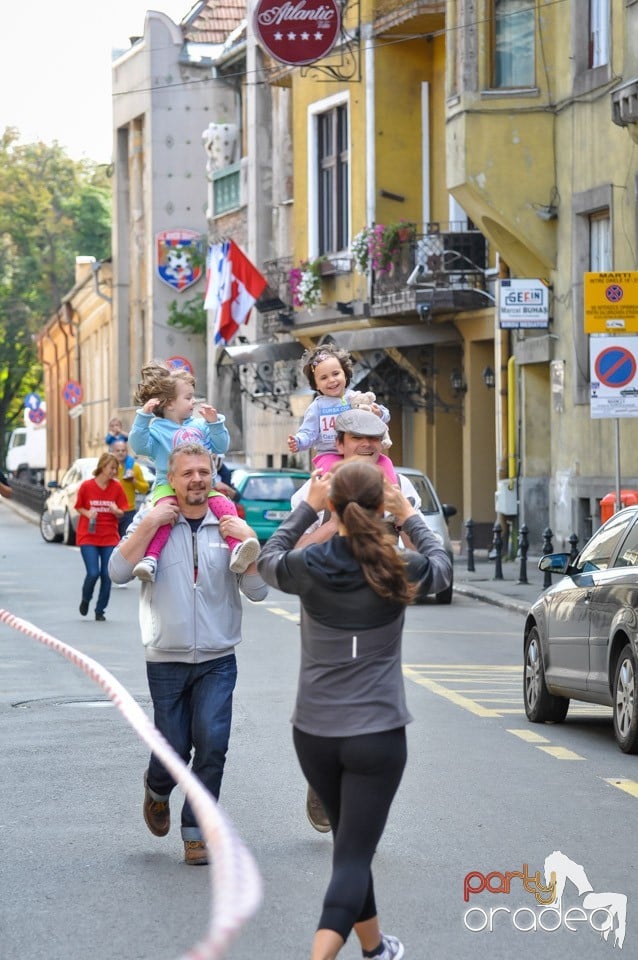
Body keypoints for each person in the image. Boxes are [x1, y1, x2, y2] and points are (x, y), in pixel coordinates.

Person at [257, 461, 452, 960]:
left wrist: (306, 507)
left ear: (335, 507)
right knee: (351, 857)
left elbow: (268, 558)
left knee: (350, 846)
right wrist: (409, 516)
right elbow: (443, 567)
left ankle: (375, 948)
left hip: (314, 735)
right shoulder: (397, 566)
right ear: (380, 506)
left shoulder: (310, 566)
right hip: (377, 735)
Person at [108, 443, 268, 866]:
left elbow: (258, 592)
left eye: (203, 471)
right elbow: (117, 573)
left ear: (211, 475)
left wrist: (250, 544)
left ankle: (196, 831)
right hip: (165, 656)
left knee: (212, 744)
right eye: (187, 473)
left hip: (218, 656)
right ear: (172, 480)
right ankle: (157, 788)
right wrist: (147, 526)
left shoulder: (228, 522)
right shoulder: (154, 519)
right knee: (174, 747)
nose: (196, 479)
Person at [128, 359, 259, 582]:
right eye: (188, 398)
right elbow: (139, 446)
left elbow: (221, 446)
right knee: (164, 516)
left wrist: (215, 423)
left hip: (203, 489)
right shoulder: (157, 429)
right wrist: (142, 417)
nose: (193, 402)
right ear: (169, 403)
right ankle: (150, 558)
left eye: (193, 397)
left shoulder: (199, 425)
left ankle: (237, 549)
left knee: (226, 507)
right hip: (166, 488)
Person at [287, 344, 397, 483]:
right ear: (316, 385)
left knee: (385, 463)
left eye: (335, 374)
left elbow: (385, 415)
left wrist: (378, 413)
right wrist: (298, 442)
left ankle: (395, 495)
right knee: (332, 474)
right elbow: (308, 432)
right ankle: (335, 502)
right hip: (329, 454)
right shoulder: (317, 407)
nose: (331, 380)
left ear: (345, 374)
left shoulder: (356, 398)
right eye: (324, 378)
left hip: (358, 452)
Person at [74, 452, 129, 621]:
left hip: (109, 536)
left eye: (116, 469)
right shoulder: (87, 486)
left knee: (107, 574)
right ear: (102, 466)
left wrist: (115, 511)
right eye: (112, 468)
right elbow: (79, 506)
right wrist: (88, 513)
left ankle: (100, 610)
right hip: (88, 535)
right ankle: (86, 599)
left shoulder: (117, 487)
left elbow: (123, 512)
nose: (114, 472)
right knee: (93, 573)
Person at [111, 440, 150, 536]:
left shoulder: (134, 468)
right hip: (111, 511)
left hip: (128, 511)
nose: (120, 453)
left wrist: (133, 480)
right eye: (118, 450)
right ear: (113, 452)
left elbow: (145, 489)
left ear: (127, 452)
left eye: (123, 450)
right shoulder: (109, 468)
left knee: (125, 543)